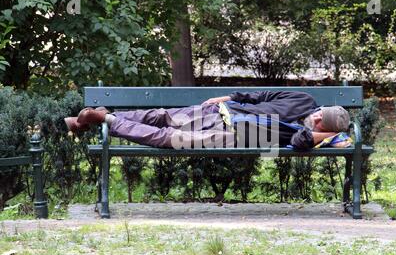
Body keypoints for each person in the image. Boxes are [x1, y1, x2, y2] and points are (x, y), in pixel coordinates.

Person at [64, 90, 351, 149]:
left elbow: (301, 142)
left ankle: (105, 118)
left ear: (326, 128)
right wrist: (225, 98)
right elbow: (261, 94)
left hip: (233, 137)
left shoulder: (312, 136)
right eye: (319, 112)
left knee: (167, 138)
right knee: (162, 117)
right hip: (222, 114)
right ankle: (102, 118)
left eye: (320, 120)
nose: (315, 116)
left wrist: (323, 135)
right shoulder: (305, 100)